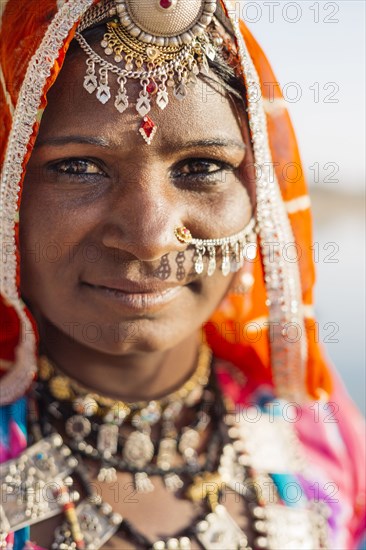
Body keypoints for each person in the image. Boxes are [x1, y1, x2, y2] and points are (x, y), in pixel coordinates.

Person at [0, 0, 365, 548]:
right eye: (78, 166)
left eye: (201, 167)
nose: (149, 236)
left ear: (257, 196)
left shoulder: (317, 431)